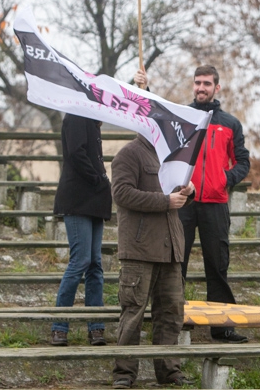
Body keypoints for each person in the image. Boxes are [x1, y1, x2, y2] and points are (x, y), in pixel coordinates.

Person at [134, 65, 251, 344]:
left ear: (217, 88)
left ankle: (223, 327)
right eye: (197, 83)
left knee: (218, 265)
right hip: (183, 201)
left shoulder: (230, 124)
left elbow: (243, 161)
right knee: (177, 265)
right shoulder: (183, 117)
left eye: (207, 83)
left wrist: (225, 179)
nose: (201, 87)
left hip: (216, 203)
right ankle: (173, 324)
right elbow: (155, 118)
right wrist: (144, 89)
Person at [110, 133, 196, 389]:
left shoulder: (172, 157)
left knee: (171, 314)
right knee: (133, 313)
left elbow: (177, 195)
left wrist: (187, 192)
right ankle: (124, 373)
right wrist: (165, 201)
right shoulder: (128, 154)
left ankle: (169, 372)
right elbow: (121, 194)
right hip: (139, 249)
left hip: (170, 250)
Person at [50, 114, 112, 347]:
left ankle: (96, 327)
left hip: (95, 200)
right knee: (80, 261)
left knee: (95, 263)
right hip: (78, 199)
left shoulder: (92, 118)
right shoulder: (76, 115)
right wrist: (99, 179)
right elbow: (76, 153)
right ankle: (59, 326)